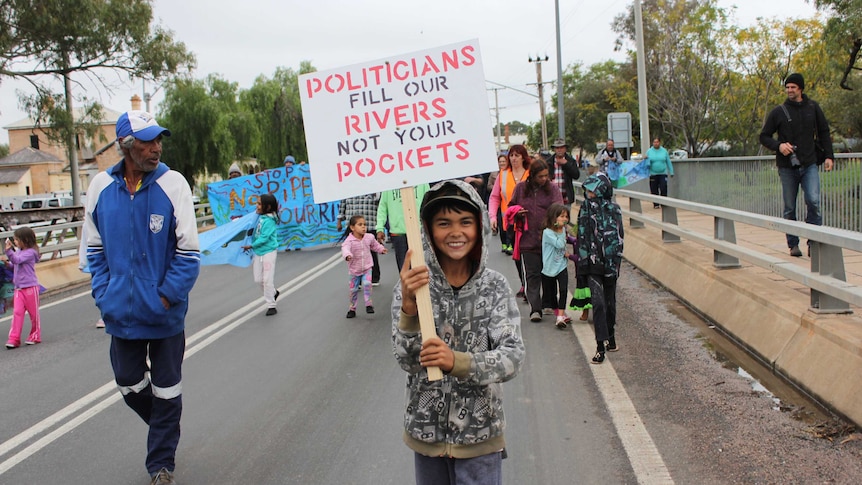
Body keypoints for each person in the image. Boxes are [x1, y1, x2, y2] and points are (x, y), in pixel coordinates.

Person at [85, 110, 200, 485]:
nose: (156, 148)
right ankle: (165, 427)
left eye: (158, 140)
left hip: (164, 314)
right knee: (128, 382)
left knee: (167, 389)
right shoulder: (100, 187)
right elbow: (95, 251)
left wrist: (166, 296)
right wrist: (104, 295)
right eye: (147, 141)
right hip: (121, 314)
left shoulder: (174, 184)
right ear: (126, 145)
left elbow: (188, 254)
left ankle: (160, 465)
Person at [393, 179, 525, 485]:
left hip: (480, 437)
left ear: (480, 226)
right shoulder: (414, 285)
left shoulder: (494, 287)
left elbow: (512, 358)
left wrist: (457, 361)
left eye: (466, 222)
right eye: (443, 223)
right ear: (427, 230)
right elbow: (407, 361)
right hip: (425, 437)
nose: (455, 232)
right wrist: (410, 306)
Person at [759, 72, 835, 257]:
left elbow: (824, 132)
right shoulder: (778, 112)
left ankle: (814, 243)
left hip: (809, 163)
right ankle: (793, 244)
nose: (789, 90)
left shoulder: (813, 108)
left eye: (793, 87)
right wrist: (779, 146)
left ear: (800, 88)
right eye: (787, 87)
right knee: (790, 207)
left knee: (814, 201)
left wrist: (829, 157)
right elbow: (764, 136)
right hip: (787, 166)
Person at [576, 169, 624, 364]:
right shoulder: (585, 208)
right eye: (588, 190)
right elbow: (581, 236)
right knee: (598, 303)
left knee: (610, 303)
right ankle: (599, 347)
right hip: (592, 263)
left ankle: (610, 337)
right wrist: (582, 263)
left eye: (593, 189)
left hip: (611, 263)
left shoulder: (615, 210)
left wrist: (615, 262)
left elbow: (620, 238)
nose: (590, 193)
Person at [509, 159, 563, 322]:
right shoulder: (520, 189)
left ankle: (548, 302)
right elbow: (511, 207)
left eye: (546, 175)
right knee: (532, 275)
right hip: (527, 240)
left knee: (549, 274)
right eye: (540, 176)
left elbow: (560, 210)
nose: (544, 179)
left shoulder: (552, 189)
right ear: (532, 175)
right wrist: (517, 212)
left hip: (548, 241)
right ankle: (535, 309)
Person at [488, 144, 531, 295]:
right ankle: (523, 283)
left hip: (530, 221)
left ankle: (530, 286)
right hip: (511, 223)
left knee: (531, 256)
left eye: (517, 155)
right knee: (517, 256)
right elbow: (494, 198)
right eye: (511, 155)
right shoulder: (503, 175)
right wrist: (493, 217)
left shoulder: (531, 173)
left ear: (523, 157)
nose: (513, 158)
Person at [341, 215, 388, 318]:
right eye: (360, 225)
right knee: (353, 290)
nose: (363, 227)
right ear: (352, 227)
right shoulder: (349, 241)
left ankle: (368, 305)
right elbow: (345, 249)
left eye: (364, 225)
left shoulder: (369, 237)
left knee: (367, 285)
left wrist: (381, 249)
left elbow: (375, 245)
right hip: (354, 270)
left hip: (367, 268)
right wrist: (347, 255)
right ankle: (352, 309)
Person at [376, 184, 430, 272]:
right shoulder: (389, 185)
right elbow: (382, 207)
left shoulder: (422, 182)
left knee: (421, 267)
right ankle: (406, 286)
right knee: (404, 268)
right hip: (398, 232)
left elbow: (428, 203)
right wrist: (380, 228)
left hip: (418, 230)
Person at [241, 193, 280, 316]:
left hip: (269, 251)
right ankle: (273, 292)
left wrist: (251, 245)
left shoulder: (269, 221)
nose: (256, 206)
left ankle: (271, 305)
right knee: (258, 279)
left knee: (267, 279)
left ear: (267, 207)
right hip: (258, 252)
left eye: (259, 204)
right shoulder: (259, 217)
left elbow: (264, 238)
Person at [5, 227, 41, 349]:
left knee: (33, 314)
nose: (15, 241)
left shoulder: (30, 253)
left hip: (30, 287)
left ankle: (35, 335)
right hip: (19, 288)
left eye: (16, 239)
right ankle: (14, 338)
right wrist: (7, 264)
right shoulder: (19, 251)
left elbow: (17, 260)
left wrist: (8, 251)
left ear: (24, 240)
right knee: (17, 312)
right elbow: (15, 264)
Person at [541, 203, 575, 329]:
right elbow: (560, 244)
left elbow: (563, 245)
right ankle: (557, 313)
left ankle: (560, 316)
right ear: (554, 218)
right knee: (552, 292)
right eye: (561, 216)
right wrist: (561, 231)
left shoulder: (563, 230)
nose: (564, 219)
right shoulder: (547, 233)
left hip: (561, 265)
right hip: (549, 267)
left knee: (563, 289)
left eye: (566, 217)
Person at [337, 193, 382, 286]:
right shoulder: (347, 189)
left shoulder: (373, 187)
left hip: (369, 224)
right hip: (352, 226)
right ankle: (357, 279)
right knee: (354, 254)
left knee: (370, 253)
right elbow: (342, 206)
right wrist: (339, 221)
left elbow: (380, 203)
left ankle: (374, 278)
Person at [545, 138, 581, 207]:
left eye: (561, 147)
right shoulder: (548, 162)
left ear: (565, 149)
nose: (559, 150)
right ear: (554, 149)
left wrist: (566, 164)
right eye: (557, 148)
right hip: (551, 199)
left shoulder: (571, 161)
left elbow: (576, 175)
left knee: (565, 217)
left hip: (566, 199)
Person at [646, 137, 674, 209]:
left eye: (657, 142)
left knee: (663, 187)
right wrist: (646, 160)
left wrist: (671, 171)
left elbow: (668, 161)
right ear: (652, 143)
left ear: (659, 143)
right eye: (654, 142)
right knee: (654, 189)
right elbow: (646, 163)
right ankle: (656, 204)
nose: (656, 143)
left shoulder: (664, 151)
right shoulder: (649, 151)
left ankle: (664, 202)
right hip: (653, 173)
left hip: (663, 173)